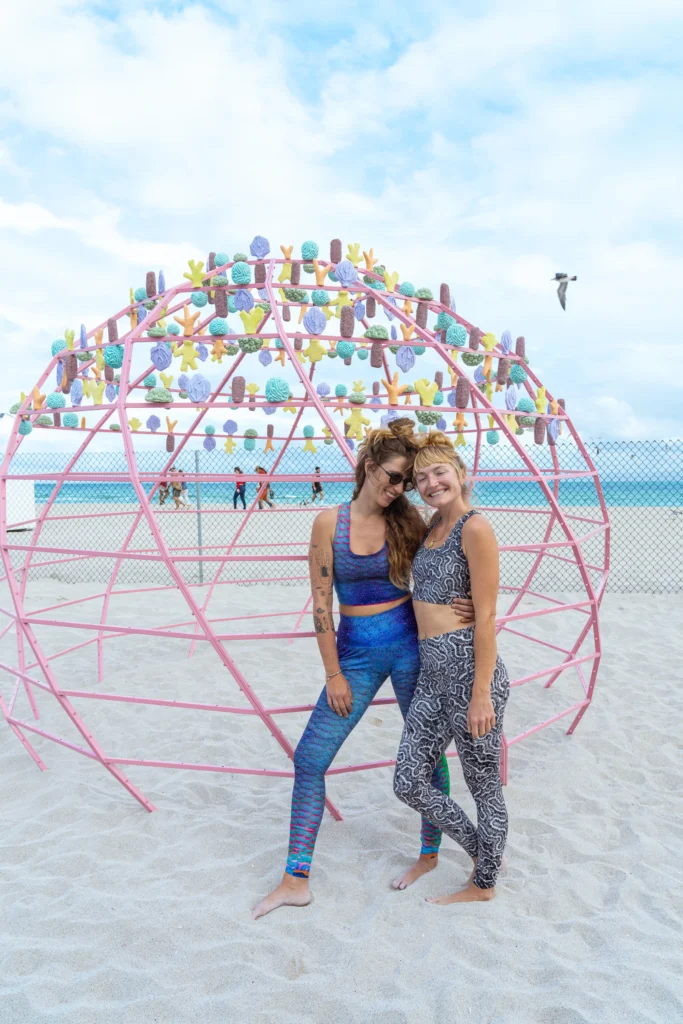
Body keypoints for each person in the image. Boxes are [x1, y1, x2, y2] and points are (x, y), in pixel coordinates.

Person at [251, 419, 473, 919]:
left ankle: (429, 855)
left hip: (412, 646)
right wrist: (333, 674)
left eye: (406, 480)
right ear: (369, 468)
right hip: (353, 655)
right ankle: (295, 879)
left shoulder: (410, 519)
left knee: (429, 753)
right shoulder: (331, 522)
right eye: (394, 477)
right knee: (310, 758)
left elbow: (452, 561)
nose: (400, 488)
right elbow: (321, 604)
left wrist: (473, 608)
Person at [393, 431, 510, 905]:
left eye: (439, 472)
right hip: (431, 675)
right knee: (407, 779)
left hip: (468, 673)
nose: (430, 482)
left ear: (460, 475)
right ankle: (485, 852)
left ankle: (483, 883)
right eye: (421, 478)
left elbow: (485, 618)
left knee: (482, 783)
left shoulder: (474, 528)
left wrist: (481, 692)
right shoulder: (431, 528)